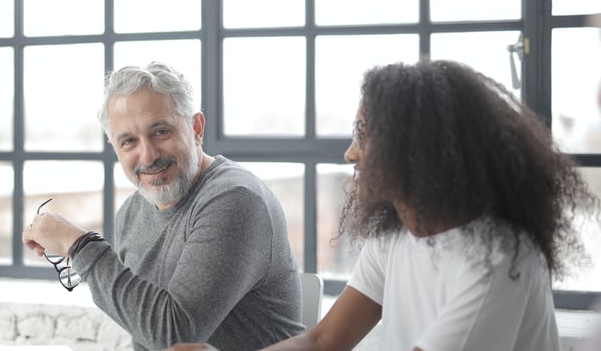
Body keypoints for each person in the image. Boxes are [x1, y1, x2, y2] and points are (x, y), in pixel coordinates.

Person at [170, 59, 599, 351]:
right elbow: (324, 342)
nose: (350, 154)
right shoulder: (396, 233)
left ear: (415, 149)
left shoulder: (500, 259)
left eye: (363, 133)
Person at [22, 62, 305, 351]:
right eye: (129, 141)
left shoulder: (236, 199)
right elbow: (145, 335)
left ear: (196, 128)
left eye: (160, 132)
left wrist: (80, 245)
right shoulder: (131, 213)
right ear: (115, 148)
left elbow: (176, 337)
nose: (148, 155)